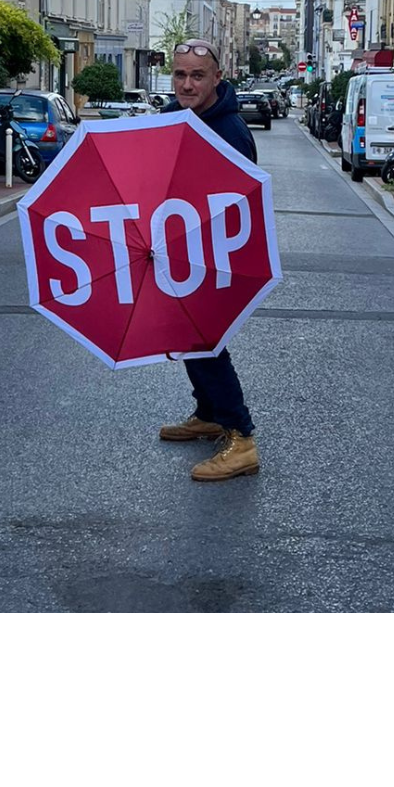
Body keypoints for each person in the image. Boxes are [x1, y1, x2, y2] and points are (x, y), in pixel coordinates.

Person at [157, 40, 261, 482]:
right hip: (177, 252)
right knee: (188, 339)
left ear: (217, 78)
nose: (186, 84)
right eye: (180, 74)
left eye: (197, 76)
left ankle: (241, 438)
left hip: (211, 258)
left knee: (203, 342)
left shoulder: (230, 131)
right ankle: (208, 413)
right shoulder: (170, 117)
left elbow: (239, 208)